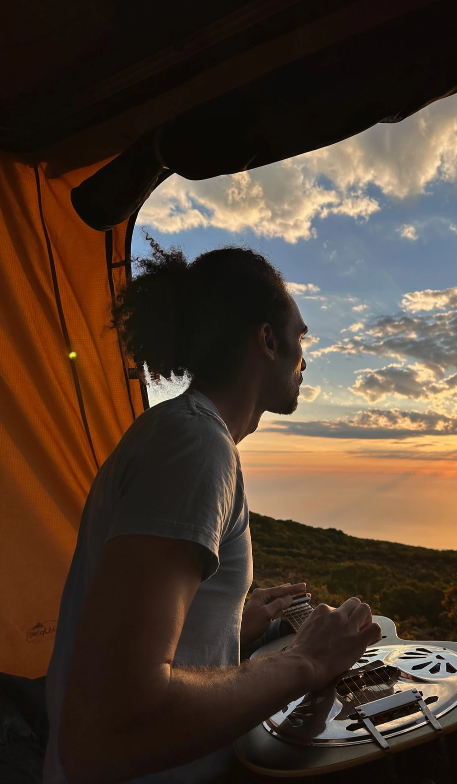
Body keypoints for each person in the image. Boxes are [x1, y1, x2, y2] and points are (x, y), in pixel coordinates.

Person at [42, 239, 381, 784]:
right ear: (267, 341)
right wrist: (305, 661)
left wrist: (230, 627)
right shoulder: (196, 445)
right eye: (299, 336)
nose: (305, 356)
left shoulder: (179, 432)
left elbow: (143, 646)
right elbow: (105, 730)